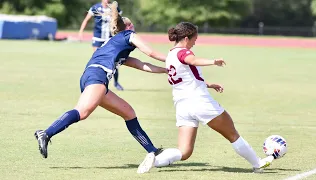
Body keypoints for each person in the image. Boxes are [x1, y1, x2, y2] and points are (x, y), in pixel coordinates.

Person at [137, 22, 275, 174]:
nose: (196, 42)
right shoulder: (184, 52)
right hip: (199, 101)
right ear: (187, 38)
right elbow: (193, 61)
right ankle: (257, 163)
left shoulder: (170, 55)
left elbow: (186, 78)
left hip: (182, 106)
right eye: (195, 38)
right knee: (232, 134)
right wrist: (213, 62)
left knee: (184, 151)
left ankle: (155, 159)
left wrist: (208, 84)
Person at [34, 1, 166, 160]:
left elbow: (141, 65)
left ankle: (153, 151)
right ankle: (46, 133)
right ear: (129, 28)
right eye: (133, 27)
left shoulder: (116, 45)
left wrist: (166, 70)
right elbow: (150, 52)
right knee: (82, 112)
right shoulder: (128, 35)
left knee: (129, 113)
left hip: (93, 77)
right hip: (98, 75)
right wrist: (172, 59)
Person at [79, 0, 124, 90]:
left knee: (114, 61)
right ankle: (95, 82)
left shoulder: (114, 8)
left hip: (110, 38)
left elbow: (120, 22)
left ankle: (116, 83)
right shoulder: (95, 7)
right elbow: (86, 20)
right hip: (98, 38)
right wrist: (81, 32)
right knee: (97, 60)